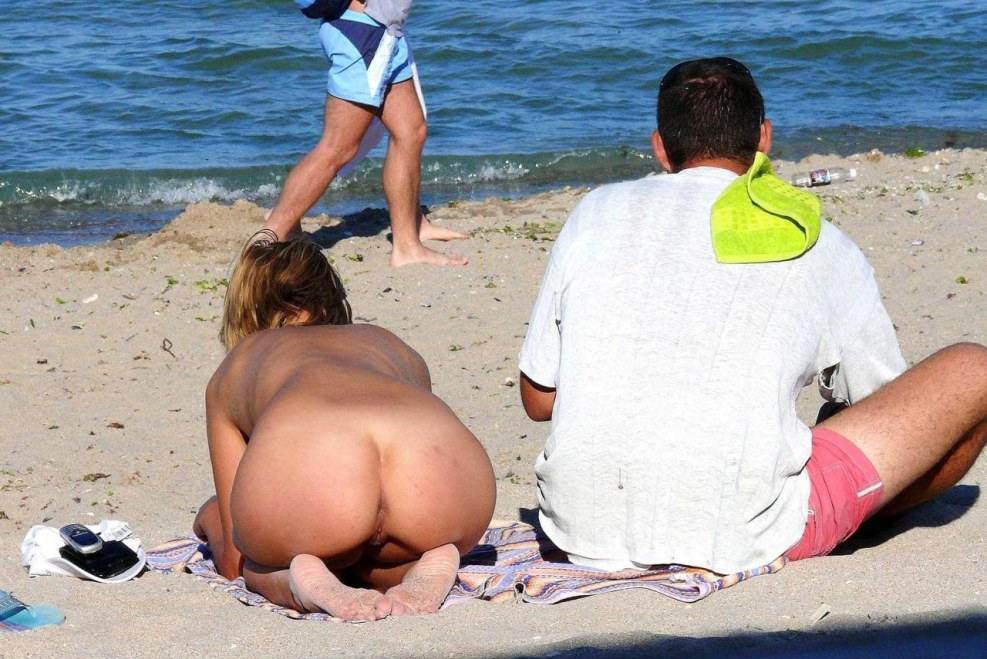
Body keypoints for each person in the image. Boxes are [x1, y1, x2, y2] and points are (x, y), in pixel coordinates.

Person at [518, 57, 987, 575]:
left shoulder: (594, 212)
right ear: (764, 137)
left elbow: (538, 400)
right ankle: (853, 517)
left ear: (660, 147)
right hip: (741, 531)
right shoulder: (812, 235)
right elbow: (879, 398)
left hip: (577, 525)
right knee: (974, 370)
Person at [193, 238, 496, 620]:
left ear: (245, 312)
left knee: (256, 565)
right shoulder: (388, 343)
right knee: (372, 553)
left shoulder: (239, 363)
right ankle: (431, 558)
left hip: (322, 461)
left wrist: (211, 517)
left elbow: (232, 558)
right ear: (333, 298)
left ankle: (301, 580)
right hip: (437, 478)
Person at [260, 0, 468, 267]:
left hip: (385, 33)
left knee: (410, 131)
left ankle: (408, 243)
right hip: (363, 34)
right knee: (337, 148)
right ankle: (266, 241)